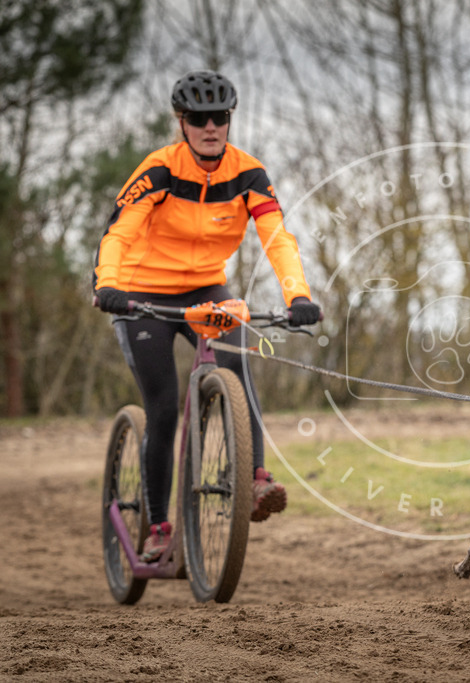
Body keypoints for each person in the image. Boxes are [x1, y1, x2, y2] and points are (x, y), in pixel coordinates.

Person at [93, 70, 321, 562]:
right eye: (199, 118)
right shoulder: (158, 170)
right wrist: (107, 285)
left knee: (237, 364)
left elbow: (278, 239)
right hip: (141, 292)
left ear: (229, 119)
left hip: (204, 289)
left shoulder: (249, 174)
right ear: (182, 121)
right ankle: (157, 527)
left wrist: (298, 296)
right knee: (164, 406)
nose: (211, 126)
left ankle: (256, 481)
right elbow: (118, 232)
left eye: (220, 117)